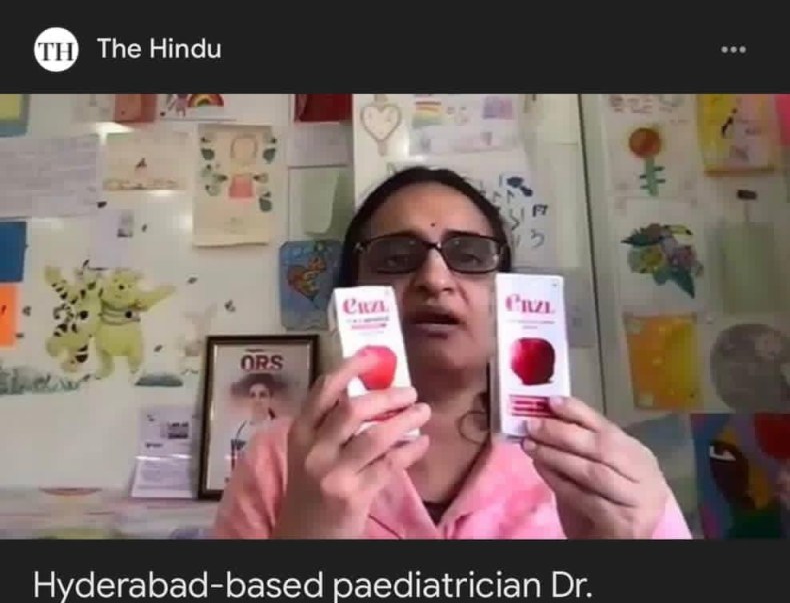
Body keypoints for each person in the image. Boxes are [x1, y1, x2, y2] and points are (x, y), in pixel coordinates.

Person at [213, 166, 691, 540]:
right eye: (396, 258)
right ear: (352, 293)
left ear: (507, 297)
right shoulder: (278, 460)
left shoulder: (598, 468)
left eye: (470, 256)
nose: (435, 279)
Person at [227, 371, 282, 472]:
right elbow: (232, 463)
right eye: (253, 395)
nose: (257, 400)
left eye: (262, 395)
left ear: (270, 399)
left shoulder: (279, 431)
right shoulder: (238, 431)